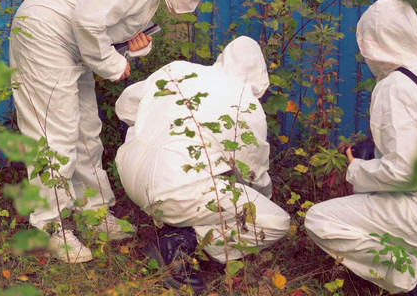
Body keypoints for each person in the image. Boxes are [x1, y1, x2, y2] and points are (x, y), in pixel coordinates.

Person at [9, 0, 223, 264]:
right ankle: (51, 226)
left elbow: (112, 33)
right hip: (46, 37)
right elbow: (87, 21)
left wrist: (133, 51)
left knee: (85, 130)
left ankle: (93, 213)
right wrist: (112, 65)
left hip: (68, 45)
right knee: (54, 133)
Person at [305, 0, 417, 296]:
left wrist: (357, 169)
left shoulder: (395, 85)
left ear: (371, 43)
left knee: (321, 219)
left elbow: (403, 172)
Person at [115, 36, 290, 293]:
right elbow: (254, 175)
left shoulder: (180, 70)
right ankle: (180, 244)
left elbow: (126, 106)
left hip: (129, 171)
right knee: (275, 222)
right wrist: (262, 201)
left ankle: (179, 227)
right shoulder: (245, 104)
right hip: (172, 190)